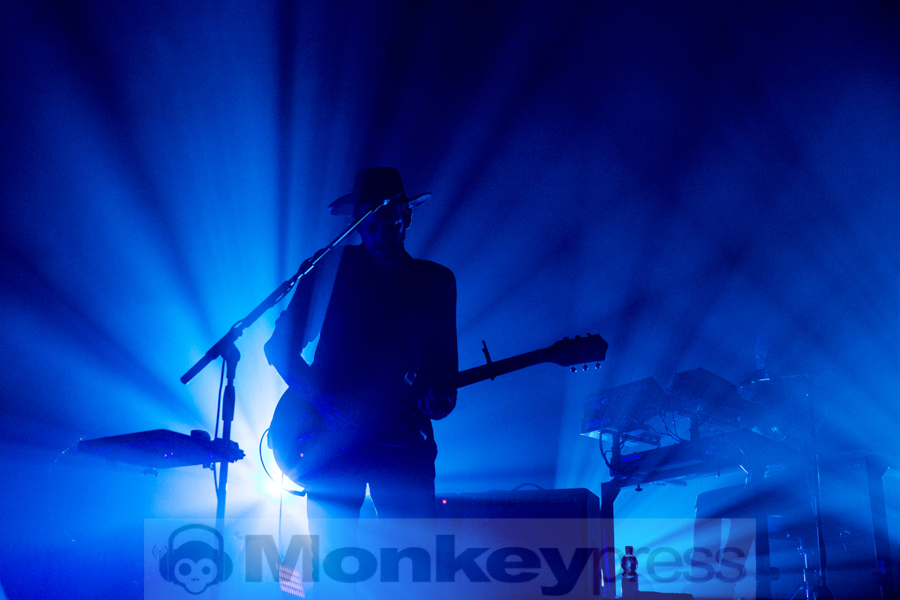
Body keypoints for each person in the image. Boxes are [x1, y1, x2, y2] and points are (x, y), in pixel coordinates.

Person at [264, 167, 458, 595]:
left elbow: (445, 374)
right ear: (357, 226)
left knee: (414, 571)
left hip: (402, 440)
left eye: (392, 224)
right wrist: (321, 396)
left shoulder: (434, 282)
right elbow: (278, 349)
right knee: (329, 569)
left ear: (406, 218)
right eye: (371, 226)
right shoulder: (330, 269)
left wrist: (439, 401)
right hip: (332, 440)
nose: (384, 235)